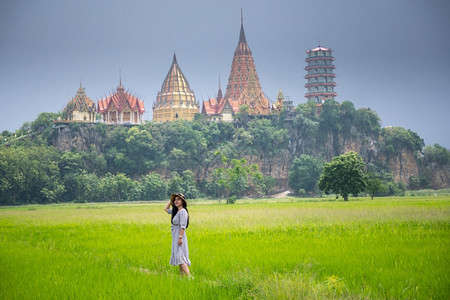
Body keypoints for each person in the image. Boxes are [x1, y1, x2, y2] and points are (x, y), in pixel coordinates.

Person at [164, 193, 191, 277]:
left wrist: (180, 238)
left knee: (180, 257)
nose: (176, 201)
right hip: (175, 235)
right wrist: (171, 200)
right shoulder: (175, 211)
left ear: (183, 201)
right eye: (175, 200)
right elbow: (165, 208)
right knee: (179, 257)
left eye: (178, 199)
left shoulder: (183, 211)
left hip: (179, 235)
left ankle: (190, 277)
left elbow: (183, 226)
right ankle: (182, 277)